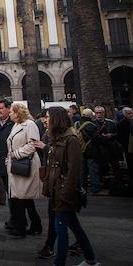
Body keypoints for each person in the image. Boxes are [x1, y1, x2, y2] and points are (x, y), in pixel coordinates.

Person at [41, 106, 100, 266]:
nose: (44, 120)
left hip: (63, 192)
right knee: (75, 227)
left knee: (61, 230)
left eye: (47, 117)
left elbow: (74, 171)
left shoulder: (70, 139)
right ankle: (91, 260)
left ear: (56, 119)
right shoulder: (56, 138)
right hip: (56, 190)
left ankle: (59, 263)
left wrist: (65, 194)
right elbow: (53, 165)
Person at [6, 103, 43, 239]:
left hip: (25, 164)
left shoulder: (30, 124)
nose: (9, 113)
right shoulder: (16, 125)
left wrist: (17, 154)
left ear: (17, 112)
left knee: (20, 197)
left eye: (11, 111)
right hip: (17, 164)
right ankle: (36, 224)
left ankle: (21, 228)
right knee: (23, 197)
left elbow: (34, 144)